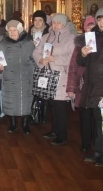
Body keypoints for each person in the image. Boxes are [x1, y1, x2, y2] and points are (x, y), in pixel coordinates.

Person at [33, 13, 75, 145]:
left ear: (64, 24)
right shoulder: (47, 36)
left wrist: (54, 59)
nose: (56, 25)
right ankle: (54, 130)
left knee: (60, 106)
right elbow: (36, 51)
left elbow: (72, 57)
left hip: (62, 76)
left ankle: (62, 135)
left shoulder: (71, 38)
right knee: (52, 105)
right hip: (48, 75)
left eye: (59, 23)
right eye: (54, 22)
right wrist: (41, 60)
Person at [0, 20, 35, 134]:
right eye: (10, 30)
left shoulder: (28, 42)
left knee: (25, 101)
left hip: (25, 76)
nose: (12, 33)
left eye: (15, 30)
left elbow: (34, 59)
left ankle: (25, 124)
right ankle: (12, 123)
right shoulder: (2, 43)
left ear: (20, 30)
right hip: (9, 76)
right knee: (10, 100)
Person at [77, 8, 103, 166]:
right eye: (99, 19)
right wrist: (83, 53)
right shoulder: (92, 37)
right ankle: (98, 152)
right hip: (93, 85)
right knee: (98, 121)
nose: (102, 23)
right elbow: (81, 63)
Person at [67, 16, 95, 152]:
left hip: (97, 86)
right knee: (84, 116)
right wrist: (71, 87)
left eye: (93, 26)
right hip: (83, 86)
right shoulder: (79, 45)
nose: (91, 29)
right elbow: (73, 67)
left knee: (97, 117)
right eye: (88, 27)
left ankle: (97, 144)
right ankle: (85, 144)